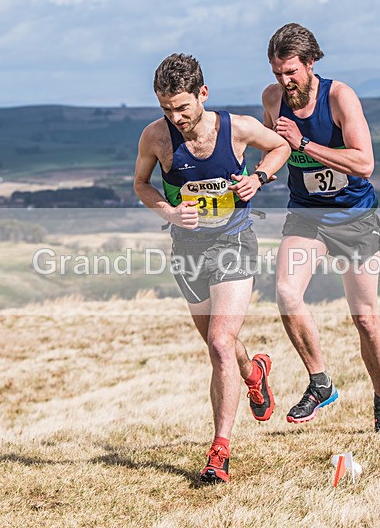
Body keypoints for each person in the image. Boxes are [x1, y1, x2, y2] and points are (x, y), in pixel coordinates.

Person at [134, 53, 290, 483]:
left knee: (221, 341)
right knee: (219, 343)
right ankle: (253, 371)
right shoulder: (155, 137)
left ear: (203, 93)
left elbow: (280, 146)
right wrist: (168, 211)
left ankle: (219, 450)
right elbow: (140, 184)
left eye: (183, 107)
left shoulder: (236, 128)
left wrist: (258, 177)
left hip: (233, 239)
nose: (176, 117)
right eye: (167, 109)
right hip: (187, 249)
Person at [261, 23, 380, 431]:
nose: (285, 82)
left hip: (354, 215)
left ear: (310, 63)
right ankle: (320, 382)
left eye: (291, 73)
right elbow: (276, 148)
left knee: (365, 318)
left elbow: (364, 163)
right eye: (277, 73)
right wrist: (258, 173)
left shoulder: (339, 97)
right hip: (307, 214)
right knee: (285, 290)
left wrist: (304, 144)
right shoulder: (272, 99)